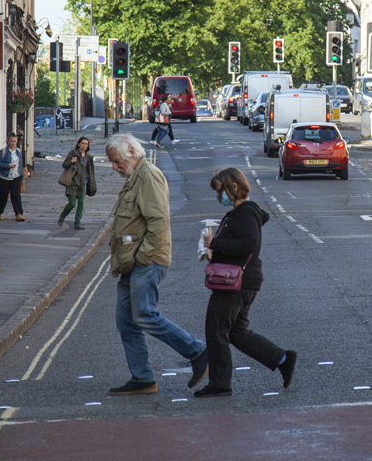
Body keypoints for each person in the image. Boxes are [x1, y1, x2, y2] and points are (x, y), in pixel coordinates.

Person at [105, 133, 208, 395]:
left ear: (130, 152)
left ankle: (198, 351)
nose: (113, 166)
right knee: (126, 321)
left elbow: (159, 221)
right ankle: (142, 378)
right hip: (132, 261)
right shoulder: (133, 177)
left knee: (144, 315)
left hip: (146, 260)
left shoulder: (148, 175)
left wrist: (143, 257)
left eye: (116, 161)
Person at [195, 168, 296, 397]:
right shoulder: (240, 213)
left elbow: (249, 243)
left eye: (220, 191)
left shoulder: (245, 213)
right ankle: (282, 359)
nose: (218, 196)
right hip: (243, 280)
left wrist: (216, 244)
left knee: (216, 329)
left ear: (233, 188)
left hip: (236, 282)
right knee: (237, 332)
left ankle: (220, 384)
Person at [58, 136, 94, 230]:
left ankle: (77, 222)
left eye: (86, 144)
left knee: (81, 204)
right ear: (78, 144)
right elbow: (64, 165)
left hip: (83, 183)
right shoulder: (73, 153)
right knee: (72, 203)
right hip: (73, 183)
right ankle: (62, 216)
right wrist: (71, 161)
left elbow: (90, 171)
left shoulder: (88, 157)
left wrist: (92, 183)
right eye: (82, 143)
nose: (84, 146)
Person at [0, 132, 25, 221]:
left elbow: (20, 165)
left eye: (14, 141)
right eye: (11, 141)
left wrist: (22, 178)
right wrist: (7, 165)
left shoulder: (18, 151)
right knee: (3, 195)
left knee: (16, 195)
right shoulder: (3, 152)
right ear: (8, 141)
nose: (13, 143)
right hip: (4, 177)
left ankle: (19, 214)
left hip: (16, 176)